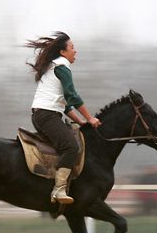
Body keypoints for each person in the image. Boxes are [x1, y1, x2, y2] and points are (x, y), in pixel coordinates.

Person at [26, 32, 102, 205]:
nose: (75, 51)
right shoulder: (62, 66)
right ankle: (58, 190)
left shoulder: (54, 67)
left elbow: (66, 105)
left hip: (44, 114)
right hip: (47, 116)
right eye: (72, 48)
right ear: (63, 52)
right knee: (71, 147)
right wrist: (90, 118)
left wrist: (81, 121)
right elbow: (72, 96)